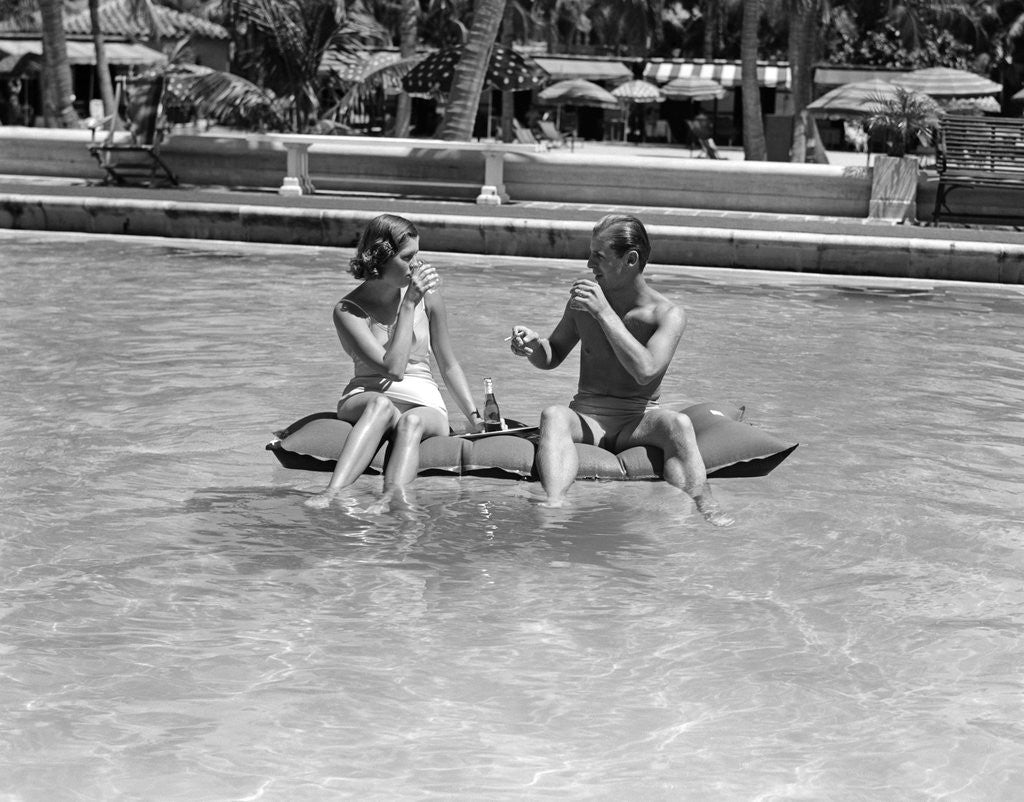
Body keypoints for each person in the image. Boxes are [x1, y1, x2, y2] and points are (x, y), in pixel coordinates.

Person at [509, 214, 733, 526]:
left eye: (598, 256)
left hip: (637, 419)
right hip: (587, 417)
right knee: (553, 415)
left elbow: (646, 371)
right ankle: (554, 503)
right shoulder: (582, 302)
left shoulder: (667, 314)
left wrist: (603, 313)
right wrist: (532, 346)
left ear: (630, 260)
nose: (589, 264)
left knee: (678, 423)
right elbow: (553, 354)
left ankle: (704, 503)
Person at [307, 214, 483, 508]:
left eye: (418, 255)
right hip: (366, 395)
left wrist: (475, 418)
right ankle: (333, 492)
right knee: (381, 404)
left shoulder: (430, 298)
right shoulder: (348, 311)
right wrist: (409, 303)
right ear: (380, 258)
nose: (417, 265)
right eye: (407, 257)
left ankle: (390, 499)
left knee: (411, 421)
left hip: (424, 402)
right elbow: (393, 369)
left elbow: (447, 363)